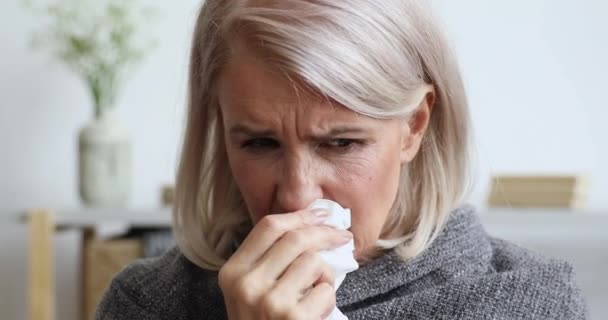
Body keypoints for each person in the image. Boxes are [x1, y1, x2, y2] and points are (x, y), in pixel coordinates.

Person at [96, 0, 588, 319]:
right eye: (259, 144)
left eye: (341, 144)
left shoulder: (532, 304)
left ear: (414, 126)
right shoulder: (148, 305)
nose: (296, 194)